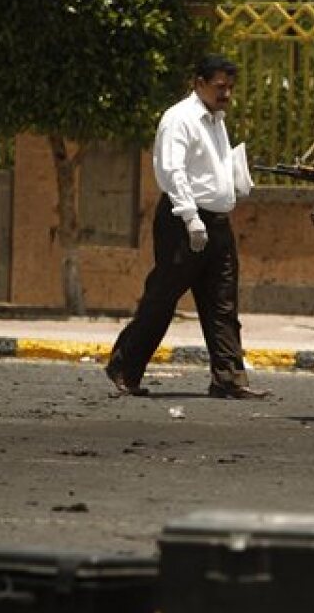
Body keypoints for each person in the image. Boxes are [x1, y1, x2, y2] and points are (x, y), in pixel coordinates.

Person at [106, 55, 270, 400]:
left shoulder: (216, 120)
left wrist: (234, 182)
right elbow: (172, 171)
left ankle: (228, 377)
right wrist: (190, 216)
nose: (226, 94)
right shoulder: (179, 119)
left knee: (222, 302)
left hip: (218, 224)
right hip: (185, 223)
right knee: (163, 297)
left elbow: (210, 168)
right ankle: (124, 366)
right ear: (199, 83)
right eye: (219, 87)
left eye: (230, 88)